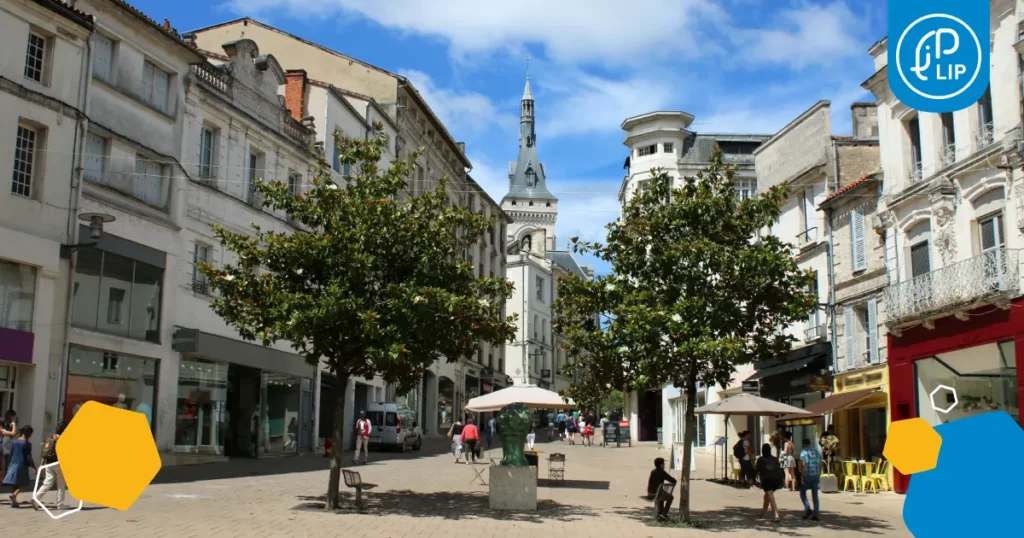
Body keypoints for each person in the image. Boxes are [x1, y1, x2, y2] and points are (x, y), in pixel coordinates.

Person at [34, 422, 67, 511]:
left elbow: (45, 453)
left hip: (48, 464)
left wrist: (41, 465)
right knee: (61, 484)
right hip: (58, 464)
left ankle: (36, 499)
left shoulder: (50, 438)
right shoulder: (62, 439)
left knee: (47, 483)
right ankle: (60, 504)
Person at [3, 426, 36, 508]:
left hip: (13, 463)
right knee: (24, 483)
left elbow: (10, 454)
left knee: (14, 483)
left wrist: (8, 464)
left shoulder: (14, 442)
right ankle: (14, 495)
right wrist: (34, 467)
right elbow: (29, 457)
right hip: (22, 464)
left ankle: (14, 502)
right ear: (28, 433)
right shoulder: (27, 443)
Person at [754, 443, 782, 523]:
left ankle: (776, 515)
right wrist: (781, 480)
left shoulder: (760, 459)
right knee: (767, 495)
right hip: (777, 480)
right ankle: (763, 512)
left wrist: (752, 479)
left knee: (769, 494)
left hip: (766, 480)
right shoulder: (775, 459)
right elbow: (779, 469)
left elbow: (756, 470)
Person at [646, 457, 677, 522]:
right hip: (658, 494)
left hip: (650, 494)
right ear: (661, 465)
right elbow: (673, 480)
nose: (664, 465)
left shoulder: (653, 472)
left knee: (661, 494)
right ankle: (664, 513)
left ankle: (660, 514)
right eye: (664, 464)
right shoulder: (662, 472)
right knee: (670, 497)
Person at [799, 438, 821, 521]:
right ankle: (816, 514)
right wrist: (819, 474)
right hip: (816, 475)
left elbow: (803, 465)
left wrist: (802, 475)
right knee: (815, 495)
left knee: (802, 493)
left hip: (807, 475)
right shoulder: (816, 452)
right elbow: (820, 463)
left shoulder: (803, 452)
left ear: (803, 445)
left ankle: (807, 508)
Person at [1, 410, 17, 478]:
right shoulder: (10, 423)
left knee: (4, 459)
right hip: (6, 442)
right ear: (11, 416)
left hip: (3, 441)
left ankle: (3, 477)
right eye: (13, 416)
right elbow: (13, 433)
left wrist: (5, 432)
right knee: (6, 459)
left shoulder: (3, 422)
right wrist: (13, 425)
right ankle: (5, 477)